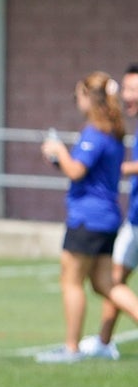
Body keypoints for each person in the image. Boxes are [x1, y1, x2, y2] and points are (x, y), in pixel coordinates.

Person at [35, 71, 138, 363]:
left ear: (90, 99)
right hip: (108, 218)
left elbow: (77, 171)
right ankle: (77, 346)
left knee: (71, 280)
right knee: (107, 284)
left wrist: (57, 151)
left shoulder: (95, 133)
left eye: (78, 95)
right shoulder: (115, 133)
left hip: (88, 218)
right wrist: (62, 159)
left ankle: (71, 348)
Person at [79, 63, 138, 360]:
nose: (126, 95)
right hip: (134, 219)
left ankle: (94, 344)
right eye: (125, 88)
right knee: (112, 280)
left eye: (132, 89)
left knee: (107, 281)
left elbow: (78, 170)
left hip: (115, 220)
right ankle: (103, 343)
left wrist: (119, 168)